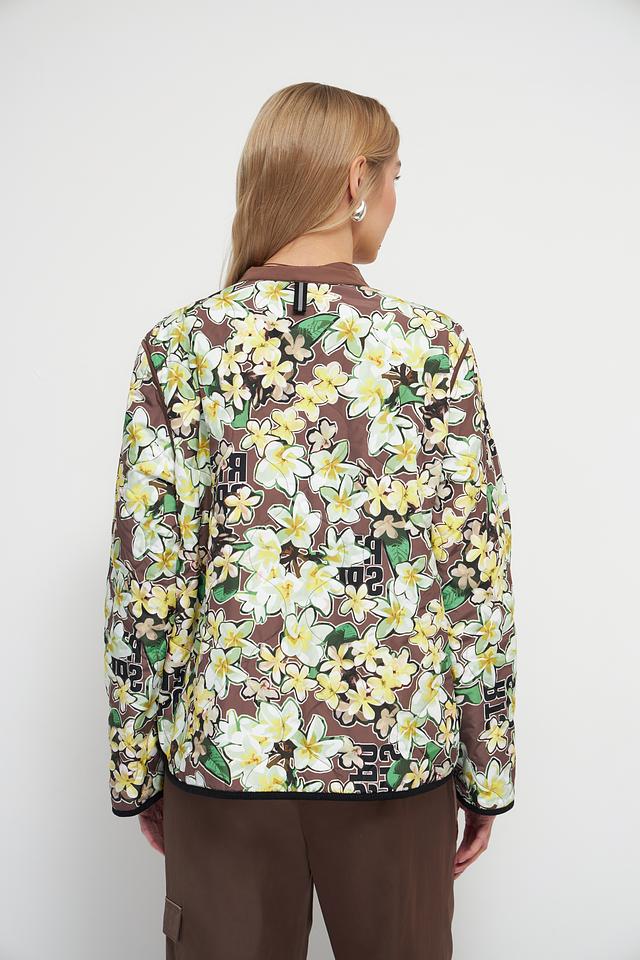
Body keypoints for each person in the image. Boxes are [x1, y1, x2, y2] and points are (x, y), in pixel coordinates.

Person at [103, 81, 517, 959]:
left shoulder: (181, 347)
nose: (395, 199)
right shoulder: (431, 347)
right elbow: (473, 577)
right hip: (394, 761)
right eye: (396, 177)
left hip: (226, 766)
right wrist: (487, 772)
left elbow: (147, 579)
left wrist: (139, 769)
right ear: (357, 180)